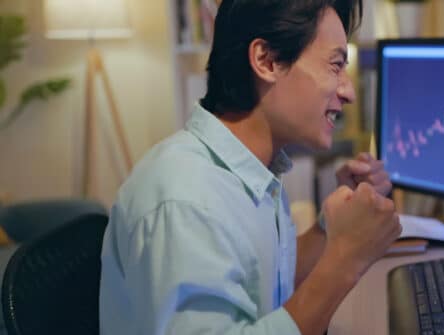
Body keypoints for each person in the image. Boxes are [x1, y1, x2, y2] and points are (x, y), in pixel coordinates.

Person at [99, 0, 402, 334]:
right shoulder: (186, 204)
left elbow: (271, 280)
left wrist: (335, 225)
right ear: (266, 60)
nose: (348, 91)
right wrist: (347, 259)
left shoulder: (252, 172)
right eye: (335, 66)